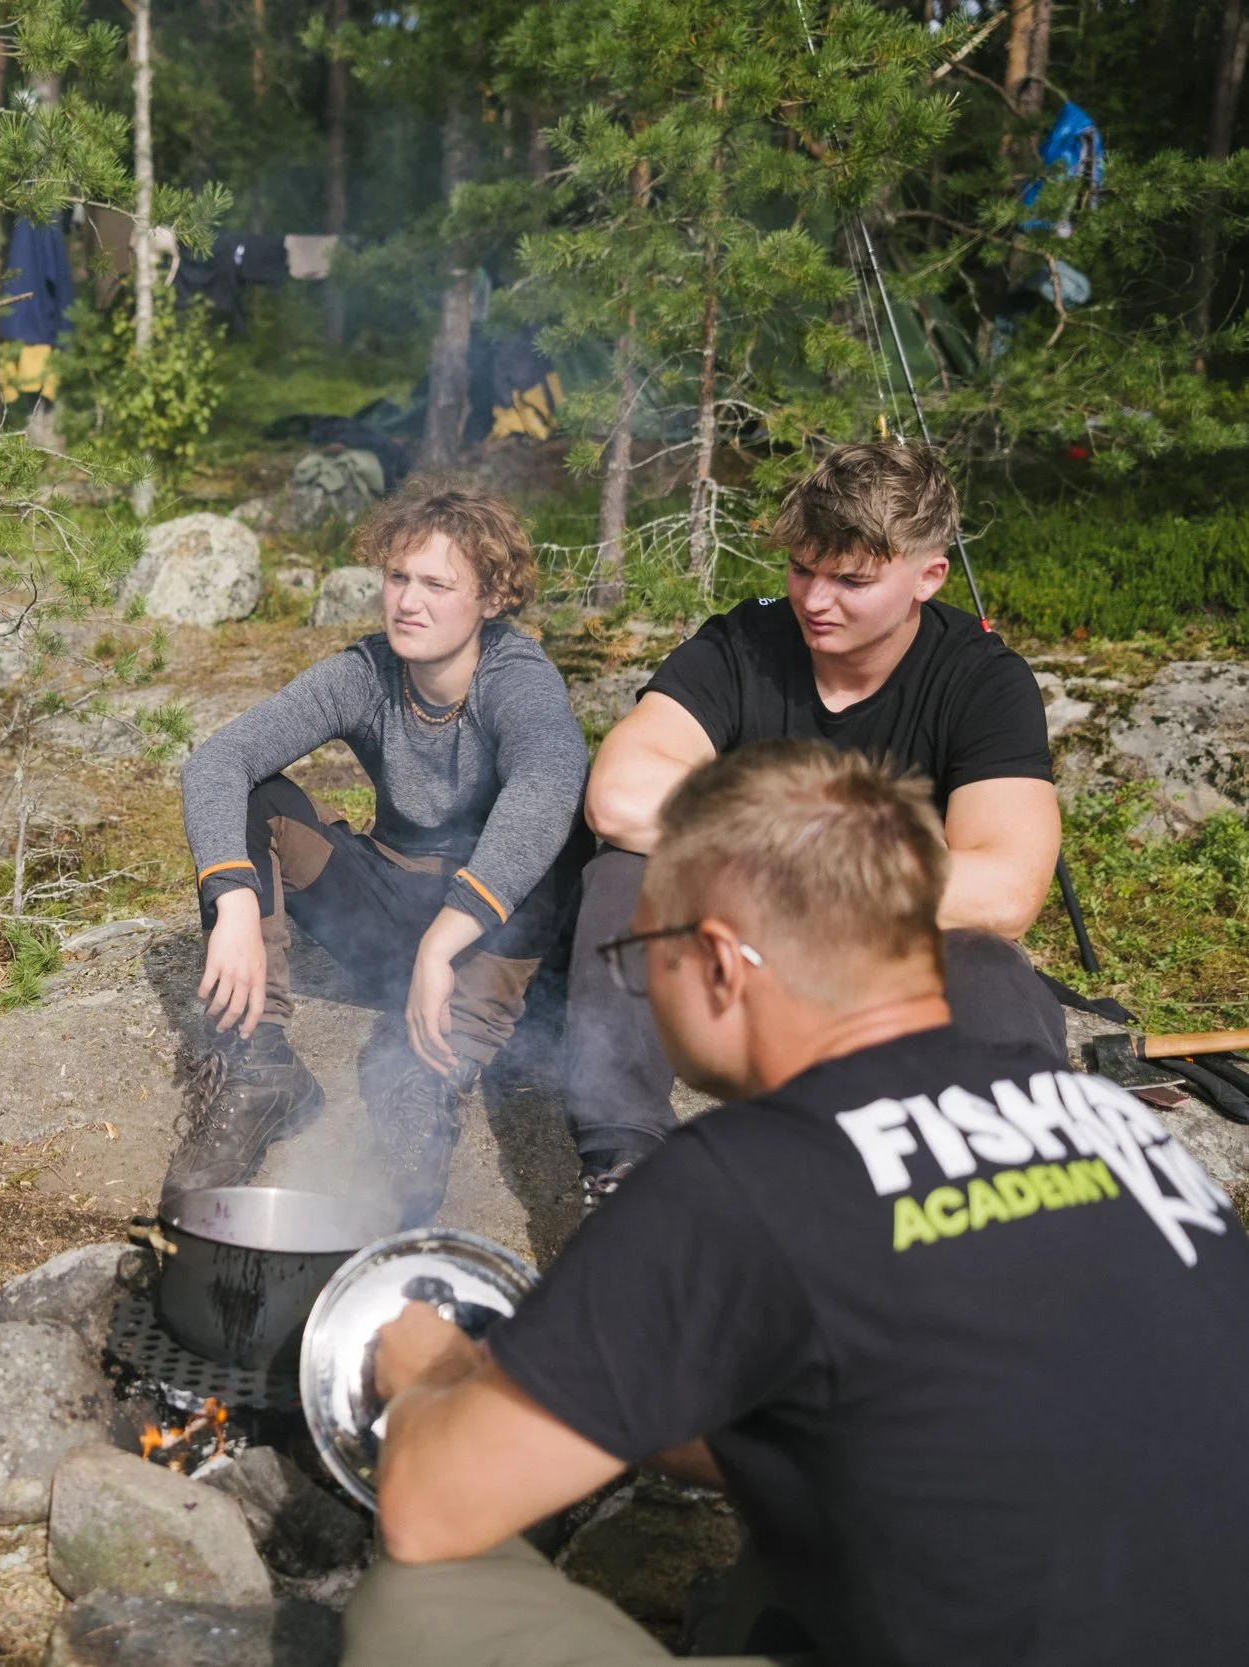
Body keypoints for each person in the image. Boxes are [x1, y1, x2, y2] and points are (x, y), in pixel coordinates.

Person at [343, 742, 1249, 1667]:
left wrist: (429, 1371)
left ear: (719, 962)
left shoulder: (748, 1174)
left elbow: (428, 1507)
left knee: (416, 1606)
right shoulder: (1105, 1118)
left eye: (644, 955)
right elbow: (943, 1409)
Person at [567, 441, 1064, 1211]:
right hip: (740, 948)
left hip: (885, 961)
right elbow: (621, 797)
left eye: (851, 580)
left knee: (987, 962)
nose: (815, 600)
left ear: (929, 576)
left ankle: (1022, 1196)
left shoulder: (982, 679)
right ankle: (625, 1167)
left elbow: (1005, 890)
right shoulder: (743, 644)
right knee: (623, 877)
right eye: (802, 569)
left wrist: (782, 859)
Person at [172, 482, 589, 1225]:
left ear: (492, 598)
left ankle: (432, 1074)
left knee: (554, 830)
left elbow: (551, 780)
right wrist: (232, 901)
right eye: (398, 577)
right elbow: (218, 762)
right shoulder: (366, 673)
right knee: (257, 797)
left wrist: (443, 942)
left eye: (437, 584)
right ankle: (259, 1066)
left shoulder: (515, 677)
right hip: (392, 916)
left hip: (488, 938)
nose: (408, 602)